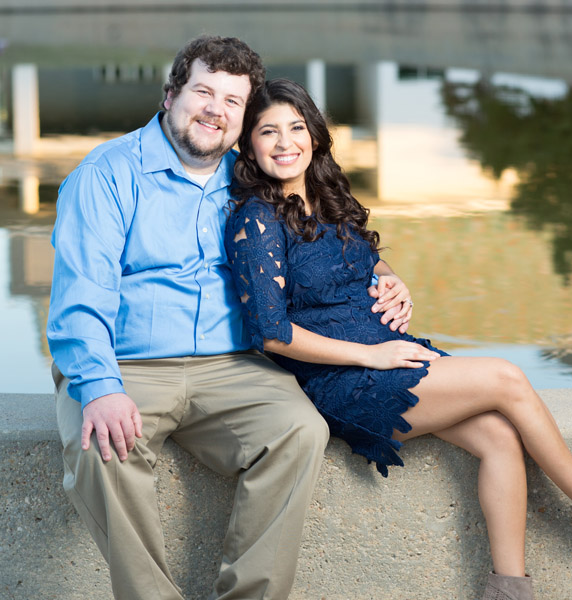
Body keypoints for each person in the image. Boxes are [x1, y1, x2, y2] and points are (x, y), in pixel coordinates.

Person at [224, 78, 572, 600]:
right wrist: (371, 355)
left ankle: (508, 588)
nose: (285, 143)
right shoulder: (256, 220)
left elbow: (361, 260)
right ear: (250, 145)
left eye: (295, 128)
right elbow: (272, 334)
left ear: (315, 135)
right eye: (268, 132)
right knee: (507, 378)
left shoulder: (327, 196)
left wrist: (393, 280)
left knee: (500, 437)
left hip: (389, 354)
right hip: (345, 377)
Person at [47, 37, 411, 600]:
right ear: (170, 96)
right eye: (203, 92)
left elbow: (326, 235)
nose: (216, 110)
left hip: (235, 367)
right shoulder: (107, 175)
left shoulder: (252, 178)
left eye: (233, 101)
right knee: (102, 450)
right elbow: (80, 300)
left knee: (299, 430)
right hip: (128, 363)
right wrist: (99, 386)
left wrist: (385, 273)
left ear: (243, 119)